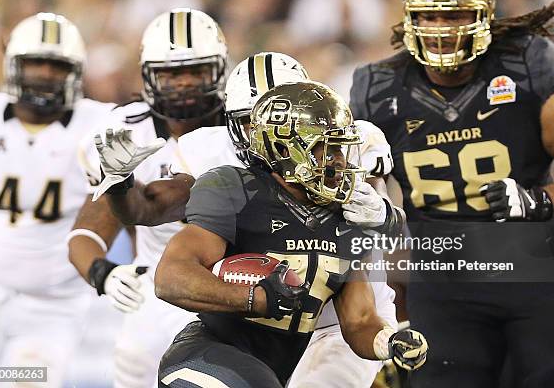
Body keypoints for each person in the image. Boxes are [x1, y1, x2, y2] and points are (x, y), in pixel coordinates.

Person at [96, 51, 401, 387]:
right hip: (259, 319)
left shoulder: (347, 140)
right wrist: (121, 185)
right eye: (250, 121)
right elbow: (149, 210)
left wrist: (385, 214)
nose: (267, 134)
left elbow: (387, 228)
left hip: (338, 316)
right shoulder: (218, 164)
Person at [350, 0, 554, 387]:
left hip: (534, 272)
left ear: (483, 14)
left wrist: (538, 201)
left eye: (454, 15)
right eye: (430, 15)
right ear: (410, 17)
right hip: (444, 282)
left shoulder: (523, 66)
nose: (441, 29)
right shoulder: (378, 89)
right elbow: (359, 204)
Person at [154, 80, 428, 387]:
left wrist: (389, 342)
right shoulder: (237, 189)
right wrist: (252, 299)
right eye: (326, 148)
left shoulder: (347, 217)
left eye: (341, 148)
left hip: (271, 369)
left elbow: (359, 321)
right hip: (206, 356)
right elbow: (170, 278)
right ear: (285, 148)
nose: (339, 161)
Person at [68, 8, 226, 388]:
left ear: (219, 71)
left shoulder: (244, 124)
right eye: (171, 73)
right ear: (149, 75)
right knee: (136, 360)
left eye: (196, 71)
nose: (184, 83)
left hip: (238, 275)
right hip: (160, 285)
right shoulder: (123, 131)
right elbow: (90, 228)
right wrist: (103, 273)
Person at [0, 13, 114, 387]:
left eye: (56, 65)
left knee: (20, 381)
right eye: (34, 62)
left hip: (53, 308)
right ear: (12, 65)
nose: (44, 73)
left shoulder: (102, 125)